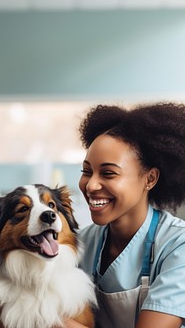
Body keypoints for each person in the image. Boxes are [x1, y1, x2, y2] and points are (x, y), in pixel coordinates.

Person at [66, 102, 185, 328]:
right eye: (87, 171)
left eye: (108, 173)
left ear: (149, 179)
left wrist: (51, 321)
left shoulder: (178, 246)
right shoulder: (78, 244)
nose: (91, 185)